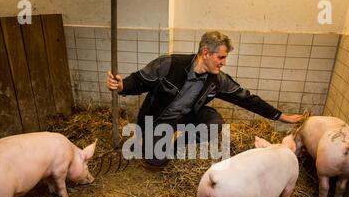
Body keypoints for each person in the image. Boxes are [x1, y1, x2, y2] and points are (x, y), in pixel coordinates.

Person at [106, 31, 303, 168]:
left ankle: (174, 147)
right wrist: (122, 86)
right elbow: (140, 81)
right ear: (206, 53)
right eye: (221, 57)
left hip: (185, 117)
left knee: (214, 122)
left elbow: (247, 99)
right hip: (158, 120)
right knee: (156, 161)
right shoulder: (169, 64)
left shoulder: (217, 80)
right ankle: (153, 143)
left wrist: (280, 116)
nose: (224, 63)